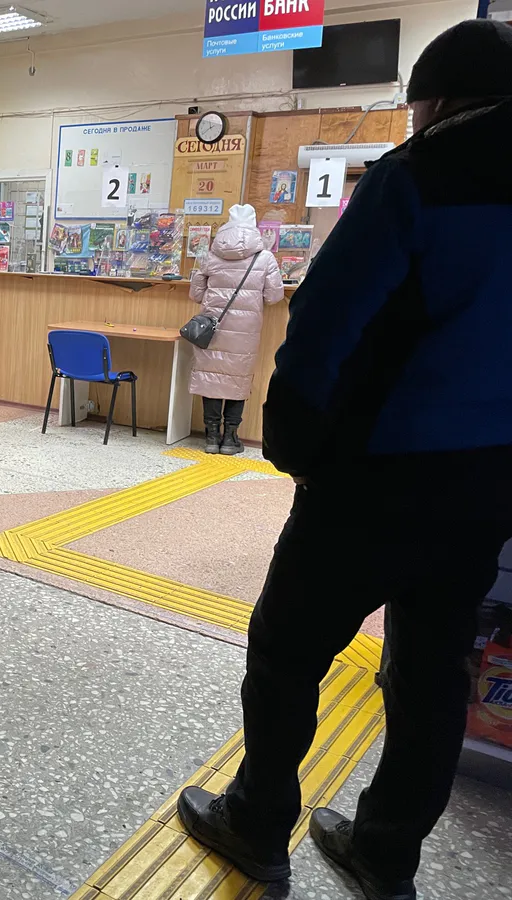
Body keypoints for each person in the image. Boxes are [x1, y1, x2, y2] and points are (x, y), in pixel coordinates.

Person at [176, 20, 512, 900]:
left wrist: (295, 447)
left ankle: (256, 823)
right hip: (489, 482)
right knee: (434, 670)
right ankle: (386, 854)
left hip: (374, 474)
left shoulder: (415, 177)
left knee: (287, 650)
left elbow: (325, 324)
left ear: (436, 101)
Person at [188, 204, 284, 455]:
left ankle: (211, 437)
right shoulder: (264, 258)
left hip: (211, 327)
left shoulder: (210, 255)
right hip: (245, 330)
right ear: (254, 226)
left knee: (210, 377)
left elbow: (195, 294)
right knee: (237, 380)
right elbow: (274, 296)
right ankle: (230, 439)